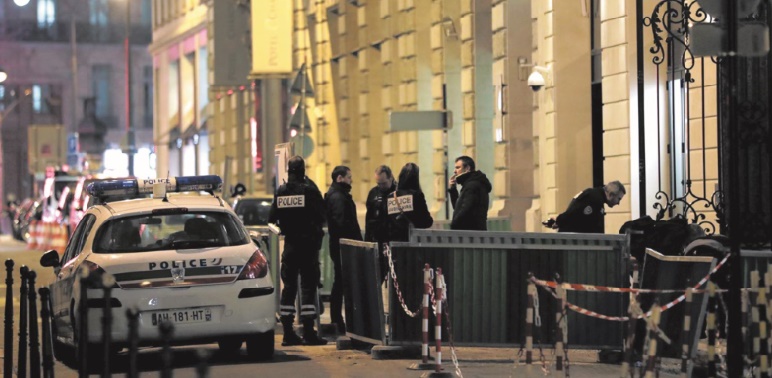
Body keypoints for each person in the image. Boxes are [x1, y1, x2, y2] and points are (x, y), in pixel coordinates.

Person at [268, 156, 328, 346]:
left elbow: (271, 219)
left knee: (289, 289)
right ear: (303, 170)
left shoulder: (282, 191)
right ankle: (309, 332)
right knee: (308, 288)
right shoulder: (310, 191)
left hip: (290, 247)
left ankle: (288, 333)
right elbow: (322, 215)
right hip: (308, 246)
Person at [324, 165, 363, 334]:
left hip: (340, 245)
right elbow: (342, 224)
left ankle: (338, 319)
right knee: (342, 282)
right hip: (344, 246)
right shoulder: (338, 197)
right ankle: (339, 320)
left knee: (341, 281)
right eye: (348, 177)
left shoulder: (337, 194)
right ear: (339, 178)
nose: (351, 180)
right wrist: (351, 243)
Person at [552, 180, 626, 233]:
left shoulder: (594, 195)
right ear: (611, 195)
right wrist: (559, 221)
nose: (618, 203)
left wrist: (559, 221)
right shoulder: (594, 199)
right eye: (618, 199)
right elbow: (574, 211)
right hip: (572, 240)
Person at [385, 163, 433, 242]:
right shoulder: (417, 195)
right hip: (412, 242)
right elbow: (426, 221)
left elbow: (387, 222)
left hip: (394, 242)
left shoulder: (390, 197)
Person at [365, 165, 397, 283]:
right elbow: (369, 219)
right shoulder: (373, 193)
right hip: (377, 241)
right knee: (377, 275)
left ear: (391, 177)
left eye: (383, 183)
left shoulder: (399, 193)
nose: (381, 186)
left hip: (393, 241)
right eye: (378, 183)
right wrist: (367, 241)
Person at [447, 156, 492, 230]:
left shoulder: (472, 186)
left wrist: (454, 224)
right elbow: (458, 208)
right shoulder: (472, 183)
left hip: (469, 232)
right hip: (473, 231)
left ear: (467, 168)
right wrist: (453, 189)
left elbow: (465, 210)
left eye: (458, 168)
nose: (455, 171)